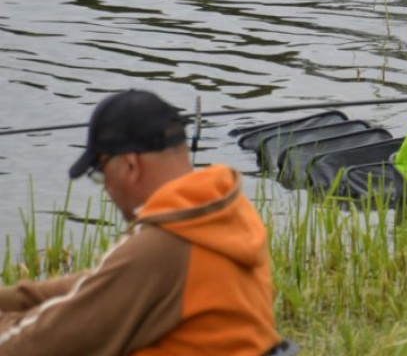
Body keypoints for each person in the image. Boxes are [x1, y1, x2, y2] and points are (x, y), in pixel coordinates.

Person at [0, 89, 284, 355]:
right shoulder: (221, 213)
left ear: (130, 166)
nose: (105, 188)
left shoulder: (165, 246)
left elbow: (37, 344)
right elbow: (99, 286)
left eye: (100, 173)